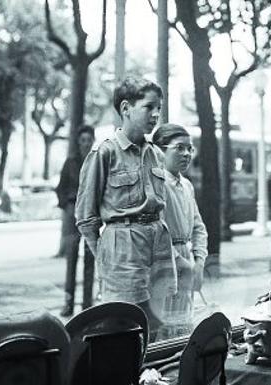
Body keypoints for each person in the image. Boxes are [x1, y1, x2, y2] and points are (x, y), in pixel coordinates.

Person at [75, 76, 175, 335]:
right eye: (149, 107)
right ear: (126, 109)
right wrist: (107, 257)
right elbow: (86, 217)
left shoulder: (156, 154)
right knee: (122, 325)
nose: (155, 115)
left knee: (157, 324)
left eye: (159, 109)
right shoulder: (105, 153)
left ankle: (150, 374)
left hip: (158, 245)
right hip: (123, 247)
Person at [150, 123, 208, 339]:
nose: (186, 154)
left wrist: (199, 262)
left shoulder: (187, 185)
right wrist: (183, 265)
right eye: (179, 148)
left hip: (187, 259)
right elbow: (157, 231)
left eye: (189, 149)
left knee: (184, 322)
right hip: (164, 262)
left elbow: (198, 228)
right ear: (160, 151)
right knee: (164, 323)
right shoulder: (157, 185)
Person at [55, 125, 96, 317]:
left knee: (90, 259)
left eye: (89, 140)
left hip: (92, 213)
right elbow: (60, 188)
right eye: (83, 140)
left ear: (92, 141)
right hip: (73, 213)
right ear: (78, 142)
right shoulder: (70, 163)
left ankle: (87, 305)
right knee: (71, 259)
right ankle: (68, 302)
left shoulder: (97, 161)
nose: (86, 144)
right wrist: (67, 206)